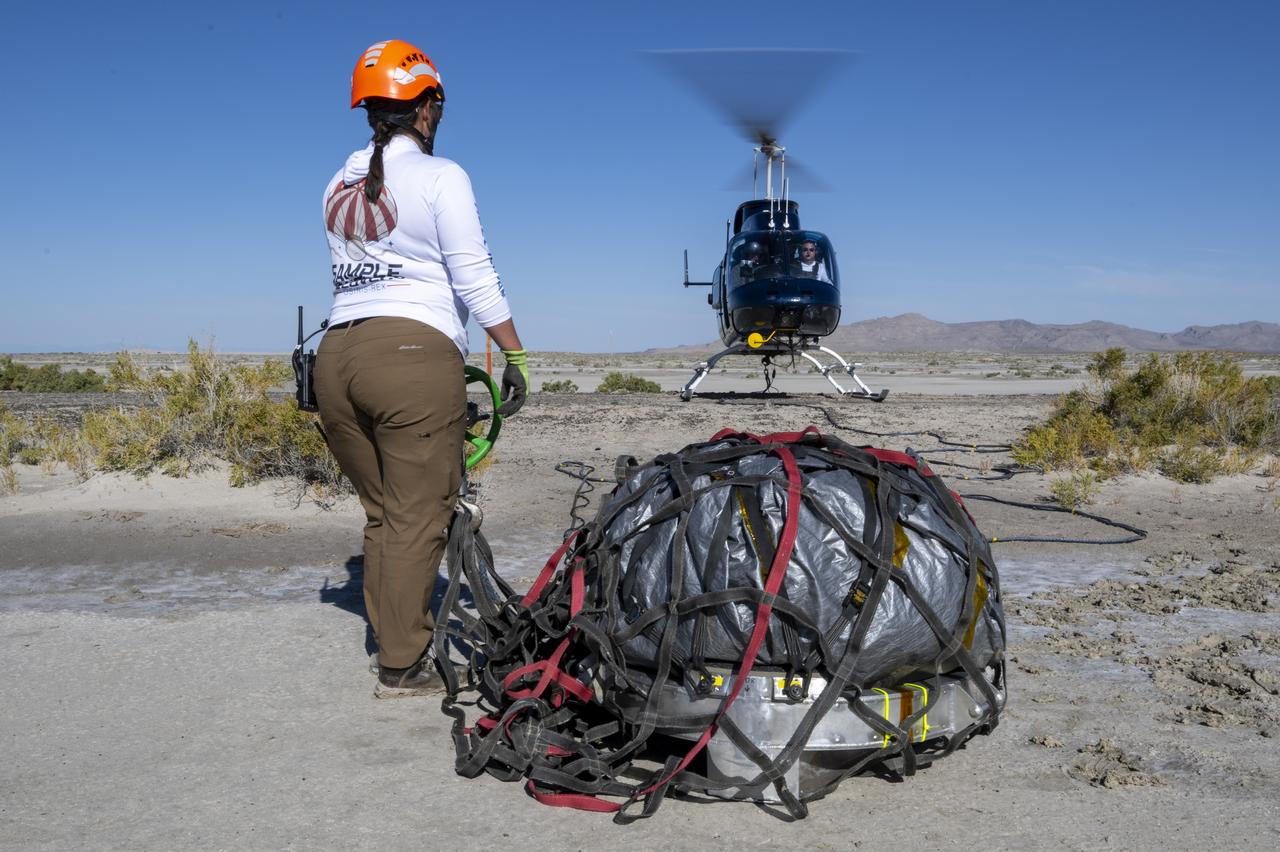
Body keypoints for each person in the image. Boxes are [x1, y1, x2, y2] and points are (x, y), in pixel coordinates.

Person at [315, 39, 529, 698]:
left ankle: (399, 633)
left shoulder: (335, 183)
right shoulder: (442, 177)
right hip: (410, 356)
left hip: (334, 358)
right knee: (418, 514)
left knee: (384, 513)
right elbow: (474, 274)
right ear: (426, 106)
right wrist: (514, 352)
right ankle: (403, 663)